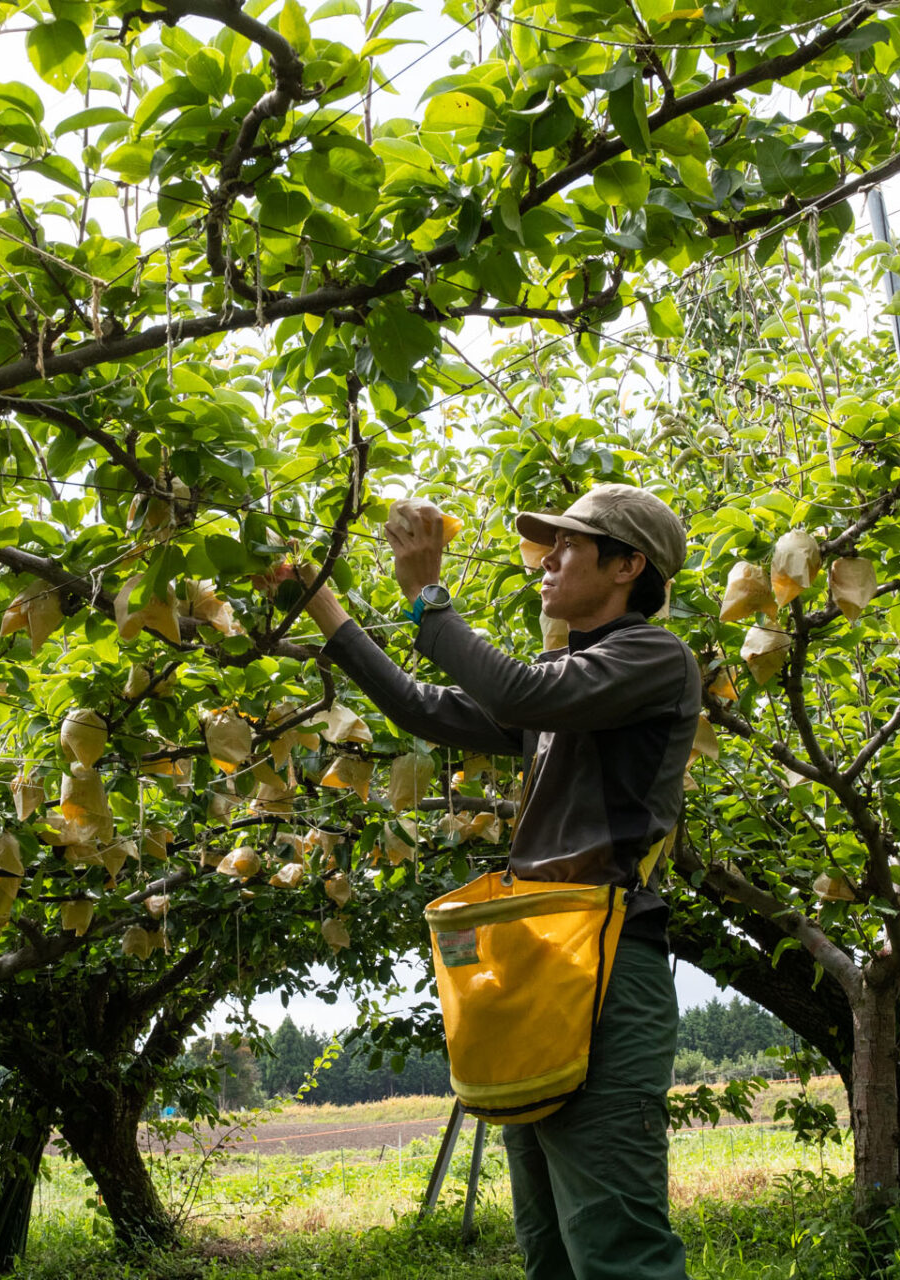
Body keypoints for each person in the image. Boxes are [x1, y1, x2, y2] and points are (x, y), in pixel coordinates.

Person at [296, 483, 698, 1280]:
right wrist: (320, 605)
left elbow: (516, 690)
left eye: (568, 547)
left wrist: (429, 595)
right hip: (539, 960)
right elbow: (425, 709)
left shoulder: (651, 658)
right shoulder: (566, 679)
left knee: (616, 1245)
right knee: (546, 1244)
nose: (546, 562)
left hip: (607, 966)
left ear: (628, 566)